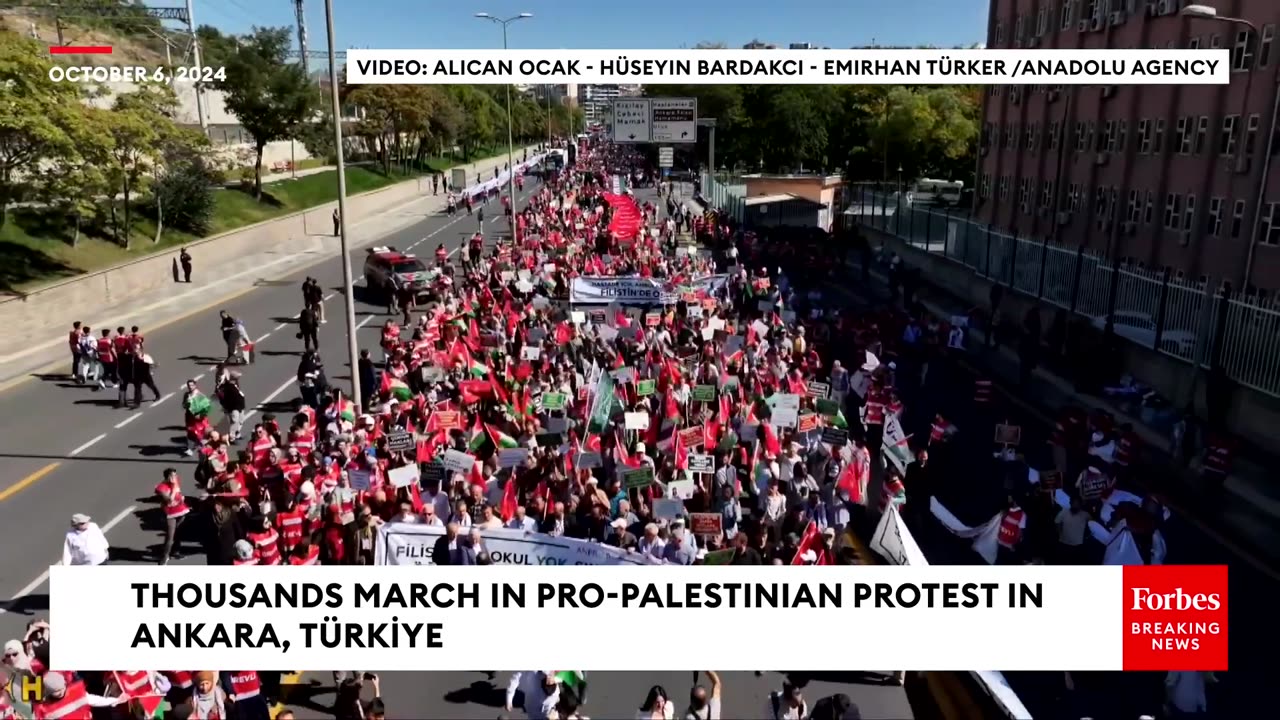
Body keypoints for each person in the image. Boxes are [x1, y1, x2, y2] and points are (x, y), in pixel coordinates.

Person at [156, 468, 191, 565]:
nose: (175, 477)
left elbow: (178, 493)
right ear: (167, 477)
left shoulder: (176, 481)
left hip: (181, 510)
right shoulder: (161, 488)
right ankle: (165, 556)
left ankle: (175, 551)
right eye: (172, 476)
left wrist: (181, 497)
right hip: (170, 514)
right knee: (170, 537)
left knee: (178, 532)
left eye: (175, 475)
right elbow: (169, 500)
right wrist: (174, 487)